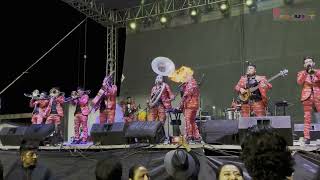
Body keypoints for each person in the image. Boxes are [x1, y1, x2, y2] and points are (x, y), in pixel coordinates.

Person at [297, 56, 320, 144]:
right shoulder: (301, 73)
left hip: (318, 96)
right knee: (307, 117)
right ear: (304, 65)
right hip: (307, 96)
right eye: (306, 62)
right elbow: (299, 82)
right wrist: (306, 72)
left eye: (310, 61)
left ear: (313, 63)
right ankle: (307, 137)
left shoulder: (318, 71)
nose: (308, 63)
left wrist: (315, 72)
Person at [178, 68, 201, 142]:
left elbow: (185, 95)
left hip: (190, 105)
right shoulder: (193, 83)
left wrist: (180, 105)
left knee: (188, 120)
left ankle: (189, 136)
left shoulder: (191, 83)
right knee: (192, 121)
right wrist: (183, 87)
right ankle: (196, 136)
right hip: (194, 105)